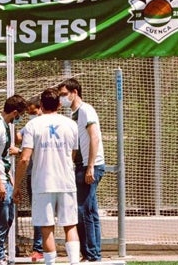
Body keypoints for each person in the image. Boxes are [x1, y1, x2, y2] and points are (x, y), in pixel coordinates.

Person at [12, 88, 81, 265]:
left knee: (46, 227)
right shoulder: (71, 124)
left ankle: (50, 263)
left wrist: (17, 185)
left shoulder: (33, 125)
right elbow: (72, 154)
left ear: (41, 105)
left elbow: (24, 158)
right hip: (66, 181)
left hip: (43, 183)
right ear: (59, 104)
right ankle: (74, 262)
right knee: (70, 225)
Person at [57, 78, 106, 262]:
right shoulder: (74, 114)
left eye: (64, 94)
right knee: (90, 210)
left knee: (82, 210)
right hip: (82, 165)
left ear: (74, 92)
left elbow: (94, 138)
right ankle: (93, 254)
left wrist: (91, 166)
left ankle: (90, 254)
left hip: (90, 165)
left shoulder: (86, 110)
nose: (62, 99)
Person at [0, 94, 27, 265]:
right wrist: (0, 183)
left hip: (3, 179)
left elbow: (3, 159)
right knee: (2, 219)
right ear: (15, 112)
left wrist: (12, 184)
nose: (19, 118)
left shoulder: (5, 127)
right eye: (19, 115)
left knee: (7, 218)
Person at [13, 95, 44, 261]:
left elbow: (31, 151)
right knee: (38, 212)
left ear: (41, 108)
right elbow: (18, 138)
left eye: (34, 111)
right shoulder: (30, 125)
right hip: (34, 175)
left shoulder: (45, 123)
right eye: (29, 113)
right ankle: (40, 248)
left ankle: (41, 247)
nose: (32, 115)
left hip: (45, 174)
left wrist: (19, 151)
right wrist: (14, 121)